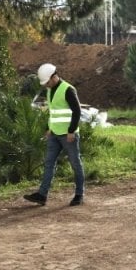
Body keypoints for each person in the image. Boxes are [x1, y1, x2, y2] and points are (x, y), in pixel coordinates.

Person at [24, 63, 85, 207]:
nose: (46, 85)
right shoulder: (51, 90)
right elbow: (54, 112)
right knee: (49, 163)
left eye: (47, 82)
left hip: (68, 135)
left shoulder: (68, 90)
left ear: (54, 76)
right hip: (54, 134)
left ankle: (79, 194)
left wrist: (71, 131)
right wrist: (48, 128)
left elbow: (77, 111)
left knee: (75, 164)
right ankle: (42, 195)